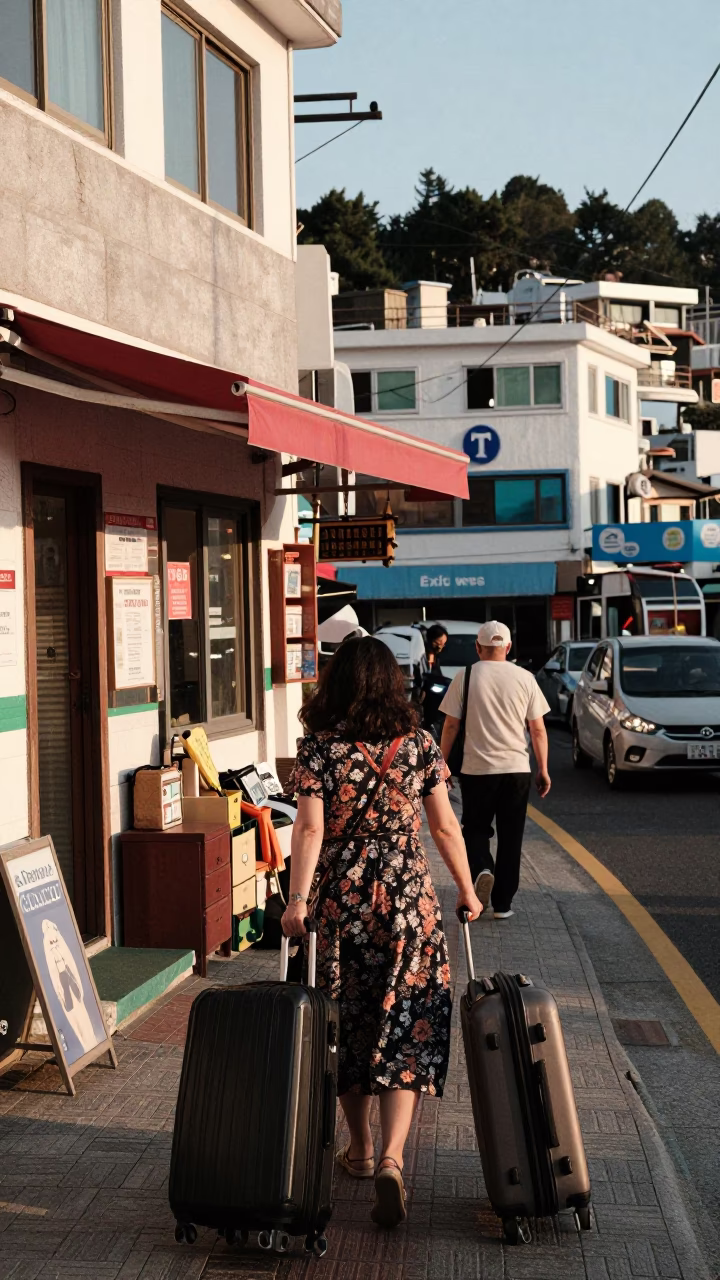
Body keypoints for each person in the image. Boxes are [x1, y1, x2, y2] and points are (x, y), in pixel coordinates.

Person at [282, 637, 481, 1229]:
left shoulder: (318, 749)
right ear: (392, 683)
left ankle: (362, 1149)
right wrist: (467, 891)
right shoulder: (418, 745)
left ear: (336, 683)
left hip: (342, 900)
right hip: (407, 900)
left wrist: (297, 900)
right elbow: (445, 827)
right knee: (407, 1019)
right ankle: (395, 1156)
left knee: (345, 1018)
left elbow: (310, 829)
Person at [439, 621, 551, 921]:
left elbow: (451, 725)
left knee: (475, 828)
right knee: (511, 836)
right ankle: (503, 904)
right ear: (509, 648)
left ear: (478, 648)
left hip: (477, 770)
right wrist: (543, 769)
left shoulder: (466, 676)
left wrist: (441, 765)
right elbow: (537, 729)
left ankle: (482, 868)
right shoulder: (525, 678)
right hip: (516, 770)